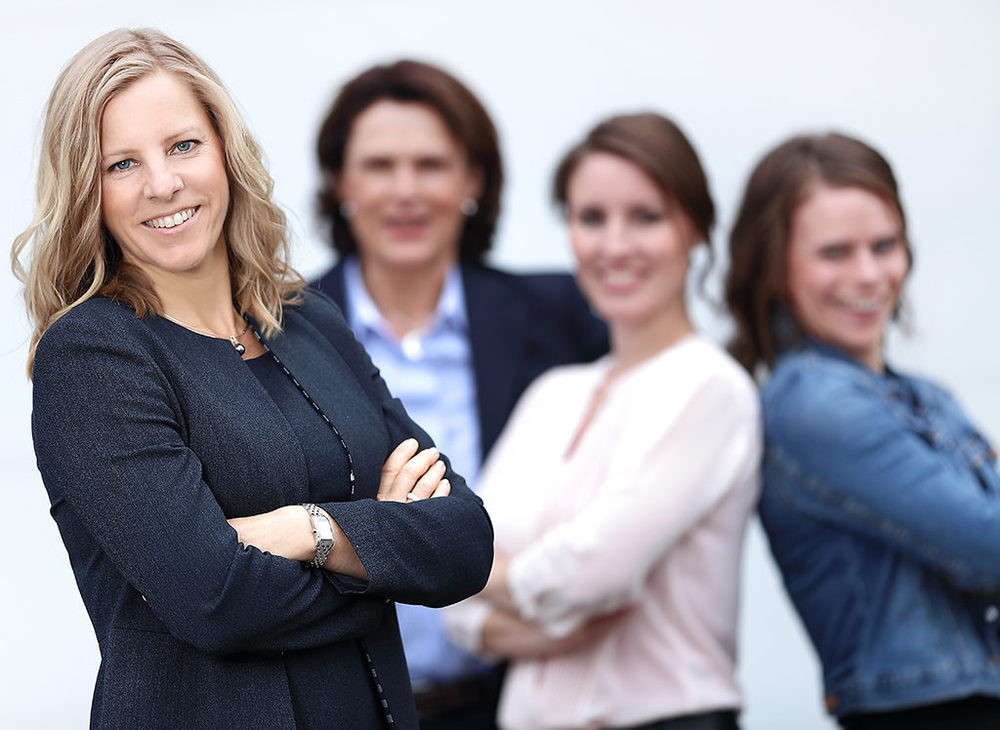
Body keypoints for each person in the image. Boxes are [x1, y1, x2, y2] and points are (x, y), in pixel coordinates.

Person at [12, 28, 493, 728]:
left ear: (225, 153)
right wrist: (385, 555)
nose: (162, 184)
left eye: (183, 145)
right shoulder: (93, 356)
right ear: (89, 190)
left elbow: (465, 540)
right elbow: (214, 600)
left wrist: (304, 530)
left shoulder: (308, 320)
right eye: (122, 164)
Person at [310, 60, 608, 728]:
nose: (406, 191)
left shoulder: (565, 320)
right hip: (344, 708)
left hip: (517, 704)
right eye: (379, 166)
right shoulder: (270, 330)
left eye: (431, 165)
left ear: (473, 179)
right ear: (341, 183)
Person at [444, 113, 762, 730]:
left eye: (646, 217)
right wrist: (545, 626)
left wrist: (485, 578)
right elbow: (455, 592)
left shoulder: (710, 386)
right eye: (591, 218)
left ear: (695, 228)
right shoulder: (553, 394)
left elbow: (591, 574)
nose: (615, 246)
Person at [725, 132, 1000, 729]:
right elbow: (989, 544)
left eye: (884, 246)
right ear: (775, 267)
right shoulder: (813, 403)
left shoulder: (928, 397)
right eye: (834, 253)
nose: (869, 274)